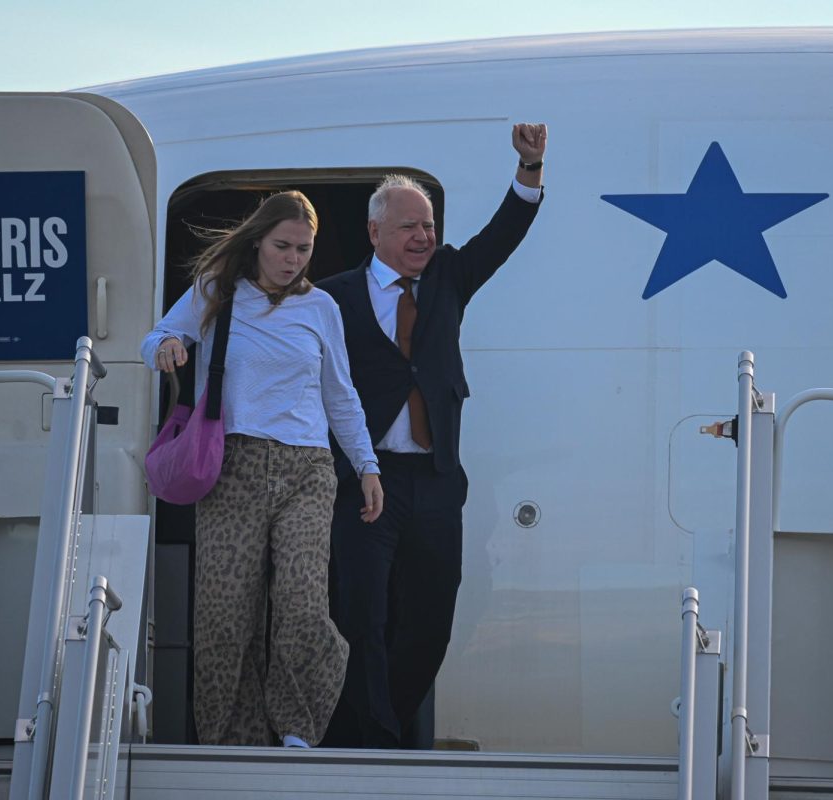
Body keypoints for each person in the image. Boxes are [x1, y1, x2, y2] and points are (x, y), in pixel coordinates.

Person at [320, 123, 547, 748]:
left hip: (437, 480)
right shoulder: (332, 298)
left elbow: (505, 234)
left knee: (432, 620)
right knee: (359, 616)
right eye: (409, 227)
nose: (424, 236)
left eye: (428, 226)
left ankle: (380, 728)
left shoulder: (449, 277)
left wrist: (529, 170)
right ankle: (366, 741)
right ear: (374, 233)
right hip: (368, 481)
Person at [140, 190, 384, 749]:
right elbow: (151, 338)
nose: (293, 258)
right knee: (226, 619)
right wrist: (171, 346)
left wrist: (366, 466)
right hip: (233, 464)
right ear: (258, 241)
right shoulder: (216, 292)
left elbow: (340, 395)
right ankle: (233, 742)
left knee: (302, 603)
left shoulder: (322, 308)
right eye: (283, 246)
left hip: (307, 469)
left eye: (304, 248)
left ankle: (299, 725)